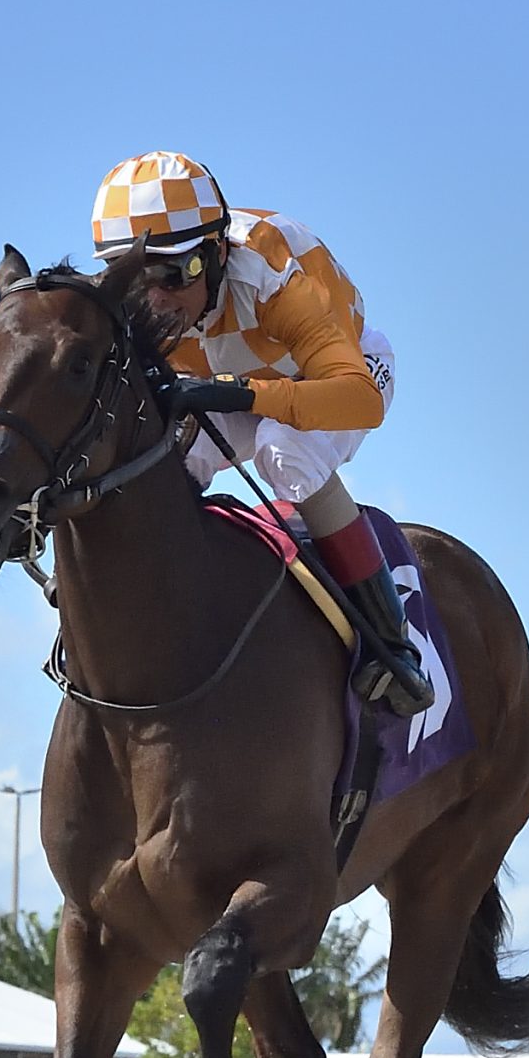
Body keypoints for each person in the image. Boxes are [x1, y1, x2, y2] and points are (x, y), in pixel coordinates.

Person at [88, 151, 433, 715]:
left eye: (175, 275)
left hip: (338, 374)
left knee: (283, 452)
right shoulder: (136, 305)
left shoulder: (277, 273)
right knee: (160, 463)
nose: (155, 303)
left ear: (216, 251)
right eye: (135, 281)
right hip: (227, 384)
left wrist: (240, 393)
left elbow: (359, 400)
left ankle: (391, 641)